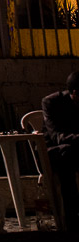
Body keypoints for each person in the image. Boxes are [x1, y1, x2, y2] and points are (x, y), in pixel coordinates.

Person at [42, 70, 79, 230]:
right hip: (53, 151)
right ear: (75, 93)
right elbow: (57, 136)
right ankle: (71, 216)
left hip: (75, 149)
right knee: (67, 152)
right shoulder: (52, 103)